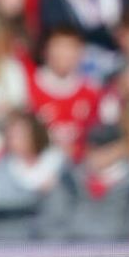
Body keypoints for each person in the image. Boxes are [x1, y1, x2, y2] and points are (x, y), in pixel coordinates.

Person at [28, 27, 100, 161]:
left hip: (80, 166)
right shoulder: (29, 88)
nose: (64, 54)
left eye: (71, 48)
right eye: (58, 47)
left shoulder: (91, 91)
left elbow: (95, 136)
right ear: (45, 50)